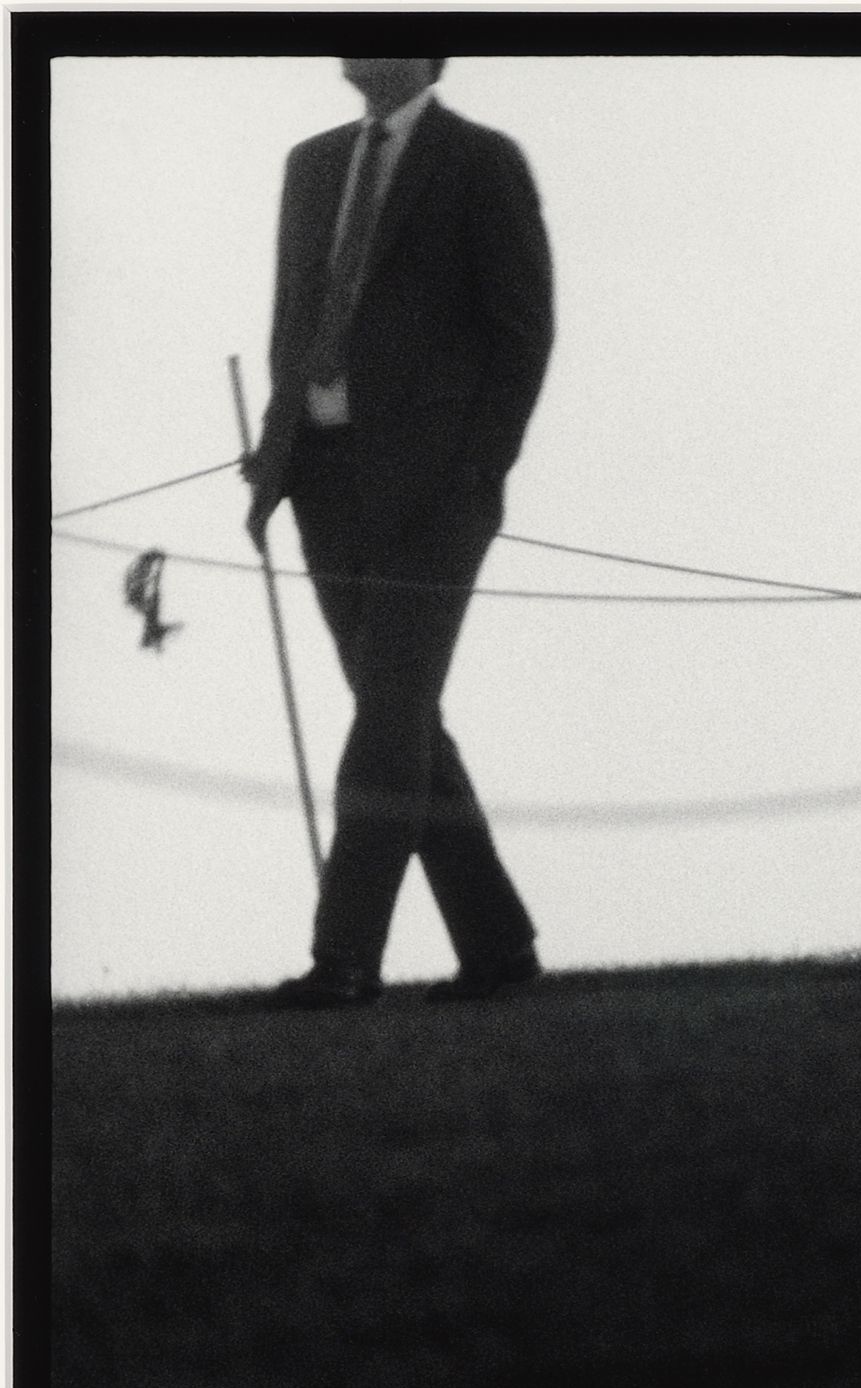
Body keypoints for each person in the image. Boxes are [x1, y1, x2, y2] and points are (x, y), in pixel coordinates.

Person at [244, 57, 553, 1008]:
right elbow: (293, 322)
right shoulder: (310, 165)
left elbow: (523, 329)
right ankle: (498, 949)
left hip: (436, 493)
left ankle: (344, 958)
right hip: (323, 482)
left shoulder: (480, 161)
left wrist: (477, 472)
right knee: (402, 714)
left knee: (389, 713)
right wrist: (274, 457)